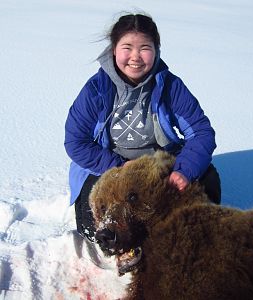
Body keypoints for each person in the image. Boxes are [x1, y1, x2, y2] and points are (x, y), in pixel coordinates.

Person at [64, 13, 221, 243]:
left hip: (156, 165)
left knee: (207, 179)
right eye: (127, 47)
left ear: (156, 50)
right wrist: (117, 167)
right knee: (94, 225)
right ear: (114, 49)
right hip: (110, 166)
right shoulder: (96, 89)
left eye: (145, 48)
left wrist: (184, 171)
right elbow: (75, 142)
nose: (135, 57)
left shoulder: (170, 86)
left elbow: (201, 132)